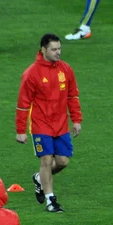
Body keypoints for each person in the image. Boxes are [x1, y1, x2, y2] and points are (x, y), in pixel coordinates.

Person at [15, 33, 82, 213]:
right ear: (43, 50)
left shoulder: (66, 70)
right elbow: (23, 104)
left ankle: (39, 178)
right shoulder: (31, 73)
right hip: (40, 124)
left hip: (61, 124)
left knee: (62, 161)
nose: (58, 52)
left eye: (59, 48)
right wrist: (20, 130)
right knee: (46, 160)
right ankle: (51, 201)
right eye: (54, 49)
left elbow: (72, 96)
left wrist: (76, 119)